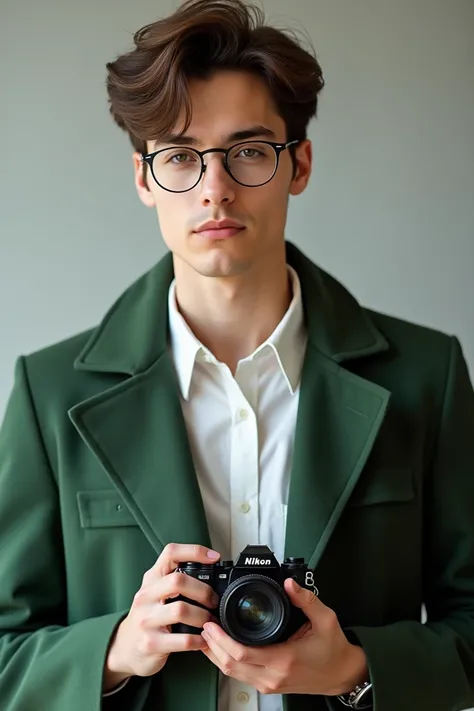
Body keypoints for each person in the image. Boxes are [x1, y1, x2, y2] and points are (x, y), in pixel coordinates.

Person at [0, 0, 473, 710]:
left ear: (299, 164)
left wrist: (355, 668)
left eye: (249, 151)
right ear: (144, 177)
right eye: (181, 157)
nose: (215, 188)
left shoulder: (424, 375)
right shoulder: (50, 392)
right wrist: (118, 649)